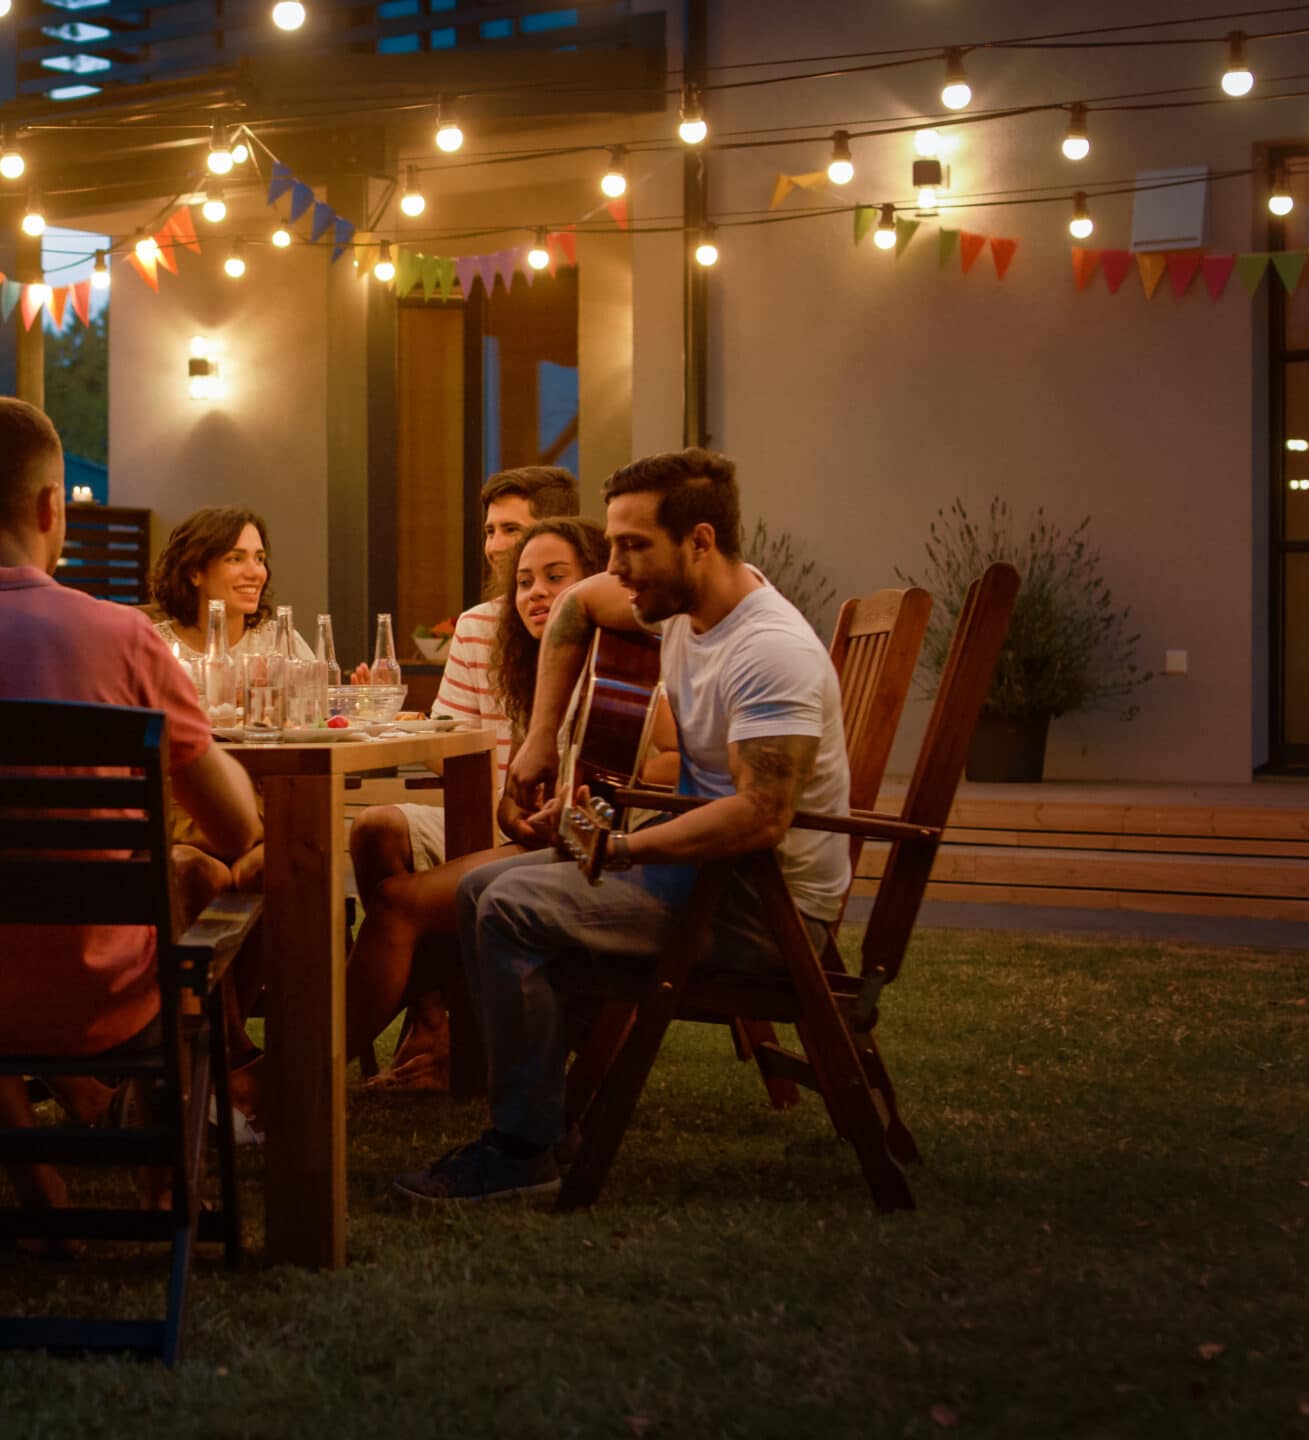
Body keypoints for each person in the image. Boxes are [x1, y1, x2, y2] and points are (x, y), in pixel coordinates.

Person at [0, 396, 262, 1229]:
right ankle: (164, 1180)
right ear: (49, 508)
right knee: (193, 898)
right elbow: (237, 829)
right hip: (103, 993)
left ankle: (40, 1198)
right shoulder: (125, 639)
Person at [393, 448, 853, 1203]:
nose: (616, 567)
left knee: (509, 909)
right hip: (696, 877)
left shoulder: (770, 651)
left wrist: (624, 846)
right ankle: (542, 1119)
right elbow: (575, 608)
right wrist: (540, 742)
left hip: (758, 910)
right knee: (479, 887)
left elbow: (761, 815)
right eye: (612, 545)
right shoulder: (674, 603)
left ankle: (522, 1148)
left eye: (633, 547)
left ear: (700, 541)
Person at [337, 517, 643, 1093]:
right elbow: (511, 784)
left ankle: (292, 1084)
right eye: (524, 582)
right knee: (387, 862)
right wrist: (515, 809)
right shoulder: (522, 657)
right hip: (554, 840)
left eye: (557, 578)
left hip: (606, 854)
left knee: (398, 907)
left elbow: (643, 772)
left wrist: (569, 813)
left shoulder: (626, 668)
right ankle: (420, 1040)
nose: (537, 593)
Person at [143, 507, 316, 663]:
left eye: (259, 559)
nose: (255, 572)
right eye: (236, 559)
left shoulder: (280, 642)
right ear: (194, 572)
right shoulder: (152, 648)